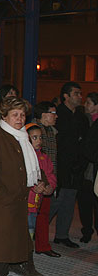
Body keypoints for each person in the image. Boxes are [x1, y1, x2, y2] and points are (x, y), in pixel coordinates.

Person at [0, 97, 45, 276]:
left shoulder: (21, 136)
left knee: (12, 240)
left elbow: (31, 166)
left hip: (17, 197)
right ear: (4, 116)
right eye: (15, 114)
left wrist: (40, 182)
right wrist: (1, 194)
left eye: (22, 114)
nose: (20, 118)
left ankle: (1, 273)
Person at [50, 82, 89, 248]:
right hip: (60, 165)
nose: (80, 97)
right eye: (76, 94)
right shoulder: (57, 115)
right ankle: (37, 231)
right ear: (66, 96)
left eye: (80, 94)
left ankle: (62, 235)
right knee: (56, 200)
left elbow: (85, 140)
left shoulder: (81, 117)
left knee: (69, 200)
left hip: (76, 166)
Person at [22, 123, 55, 276]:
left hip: (35, 204)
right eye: (34, 137)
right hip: (23, 203)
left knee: (30, 232)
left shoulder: (44, 157)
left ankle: (26, 261)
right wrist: (33, 187)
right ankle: (24, 262)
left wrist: (49, 187)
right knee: (22, 233)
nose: (38, 140)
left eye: (40, 137)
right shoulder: (22, 156)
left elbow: (50, 175)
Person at [32, 101, 61, 257]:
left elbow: (52, 161)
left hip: (48, 178)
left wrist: (51, 182)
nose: (56, 116)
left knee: (43, 214)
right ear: (43, 115)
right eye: (53, 112)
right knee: (30, 216)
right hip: (34, 182)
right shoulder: (33, 130)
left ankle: (42, 245)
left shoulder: (52, 132)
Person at [79, 92, 98, 243]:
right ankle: (86, 230)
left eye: (89, 103)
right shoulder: (83, 120)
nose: (85, 105)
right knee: (85, 202)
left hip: (94, 169)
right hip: (85, 169)